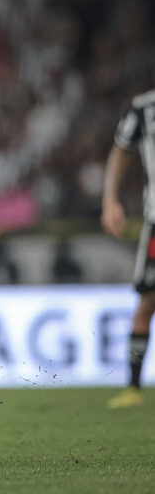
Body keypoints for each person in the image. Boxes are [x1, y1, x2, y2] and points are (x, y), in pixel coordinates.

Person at [101, 86, 155, 409]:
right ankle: (133, 387)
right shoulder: (144, 108)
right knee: (147, 302)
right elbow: (120, 150)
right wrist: (110, 200)